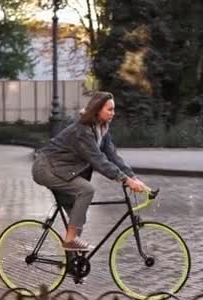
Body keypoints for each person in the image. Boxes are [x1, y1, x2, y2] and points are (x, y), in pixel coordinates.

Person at [32, 91, 146, 251]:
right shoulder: (83, 131)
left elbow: (113, 156)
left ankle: (71, 263)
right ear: (97, 109)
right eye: (110, 109)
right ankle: (70, 240)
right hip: (46, 169)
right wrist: (126, 180)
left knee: (78, 217)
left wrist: (133, 176)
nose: (113, 113)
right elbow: (99, 161)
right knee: (86, 190)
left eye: (114, 109)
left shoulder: (102, 129)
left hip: (62, 171)